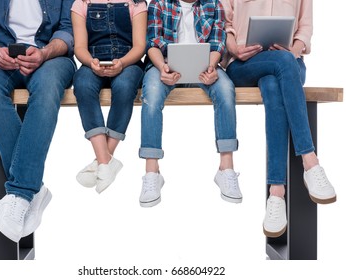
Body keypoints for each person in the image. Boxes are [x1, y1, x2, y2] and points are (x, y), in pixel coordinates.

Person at [220, 0, 337, 238]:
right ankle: (310, 162)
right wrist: (234, 49)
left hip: (288, 60)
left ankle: (276, 192)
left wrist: (293, 51)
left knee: (274, 85)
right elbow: (223, 22)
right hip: (243, 63)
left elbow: (305, 26)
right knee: (281, 67)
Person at [0, 0, 76, 242]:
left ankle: (21, 191)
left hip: (51, 58)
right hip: (1, 58)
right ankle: (30, 189)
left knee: (47, 88)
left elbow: (68, 30)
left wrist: (45, 52)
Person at [139, 0, 241, 207]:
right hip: (164, 65)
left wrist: (212, 67)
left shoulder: (214, 4)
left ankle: (226, 168)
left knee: (225, 90)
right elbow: (152, 43)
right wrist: (161, 67)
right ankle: (152, 172)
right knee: (151, 94)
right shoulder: (159, 3)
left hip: (204, 66)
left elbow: (218, 42)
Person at [71, 0, 147, 193]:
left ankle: (103, 159)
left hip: (128, 62)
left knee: (124, 86)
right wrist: (91, 62)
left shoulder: (136, 4)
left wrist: (121, 63)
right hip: (93, 62)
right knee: (82, 84)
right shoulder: (81, 4)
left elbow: (140, 46)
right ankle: (106, 161)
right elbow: (79, 47)